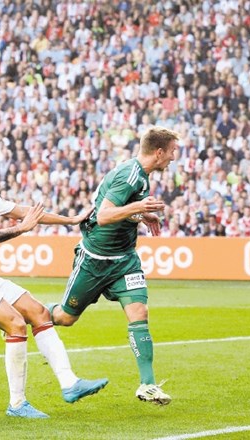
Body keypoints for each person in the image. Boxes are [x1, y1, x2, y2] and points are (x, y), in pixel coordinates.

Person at [0, 137, 108, 418]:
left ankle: (70, 383)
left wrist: (71, 220)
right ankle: (17, 405)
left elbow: (25, 213)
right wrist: (21, 230)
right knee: (15, 322)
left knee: (38, 311)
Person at [48, 127, 178, 405]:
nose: (174, 157)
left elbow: (121, 212)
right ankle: (25, 312)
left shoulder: (141, 177)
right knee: (64, 318)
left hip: (124, 260)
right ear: (159, 152)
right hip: (95, 260)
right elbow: (105, 215)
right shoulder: (130, 175)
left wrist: (141, 216)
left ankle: (147, 385)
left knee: (139, 311)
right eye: (172, 151)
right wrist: (139, 208)